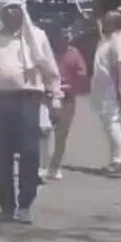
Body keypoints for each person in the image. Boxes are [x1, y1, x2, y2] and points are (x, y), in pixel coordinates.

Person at [0, 0, 62, 224]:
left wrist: (56, 97)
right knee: (4, 155)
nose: (13, 15)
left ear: (23, 12)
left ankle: (26, 203)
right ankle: (7, 206)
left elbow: (50, 70)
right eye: (8, 10)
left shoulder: (36, 37)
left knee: (30, 152)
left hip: (29, 101)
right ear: (0, 12)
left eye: (17, 10)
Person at [88, 10, 121, 176]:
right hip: (105, 88)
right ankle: (115, 158)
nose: (104, 23)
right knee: (110, 124)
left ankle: (120, 161)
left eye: (107, 21)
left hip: (113, 87)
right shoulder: (108, 39)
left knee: (112, 123)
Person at [43, 24, 88, 181]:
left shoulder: (74, 53)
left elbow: (82, 73)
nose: (64, 39)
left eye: (66, 36)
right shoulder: (46, 54)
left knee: (61, 135)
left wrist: (72, 86)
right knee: (43, 132)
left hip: (67, 98)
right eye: (61, 35)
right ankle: (42, 164)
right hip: (47, 96)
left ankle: (55, 166)